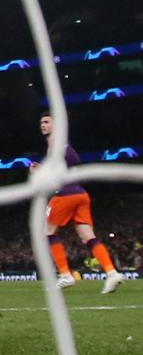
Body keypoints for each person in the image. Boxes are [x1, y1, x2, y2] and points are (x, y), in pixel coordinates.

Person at [37, 113, 125, 294]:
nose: (43, 125)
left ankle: (65, 274)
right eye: (41, 123)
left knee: (48, 232)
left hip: (65, 195)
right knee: (88, 237)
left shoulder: (56, 143)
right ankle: (112, 272)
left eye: (46, 122)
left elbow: (71, 162)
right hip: (81, 195)